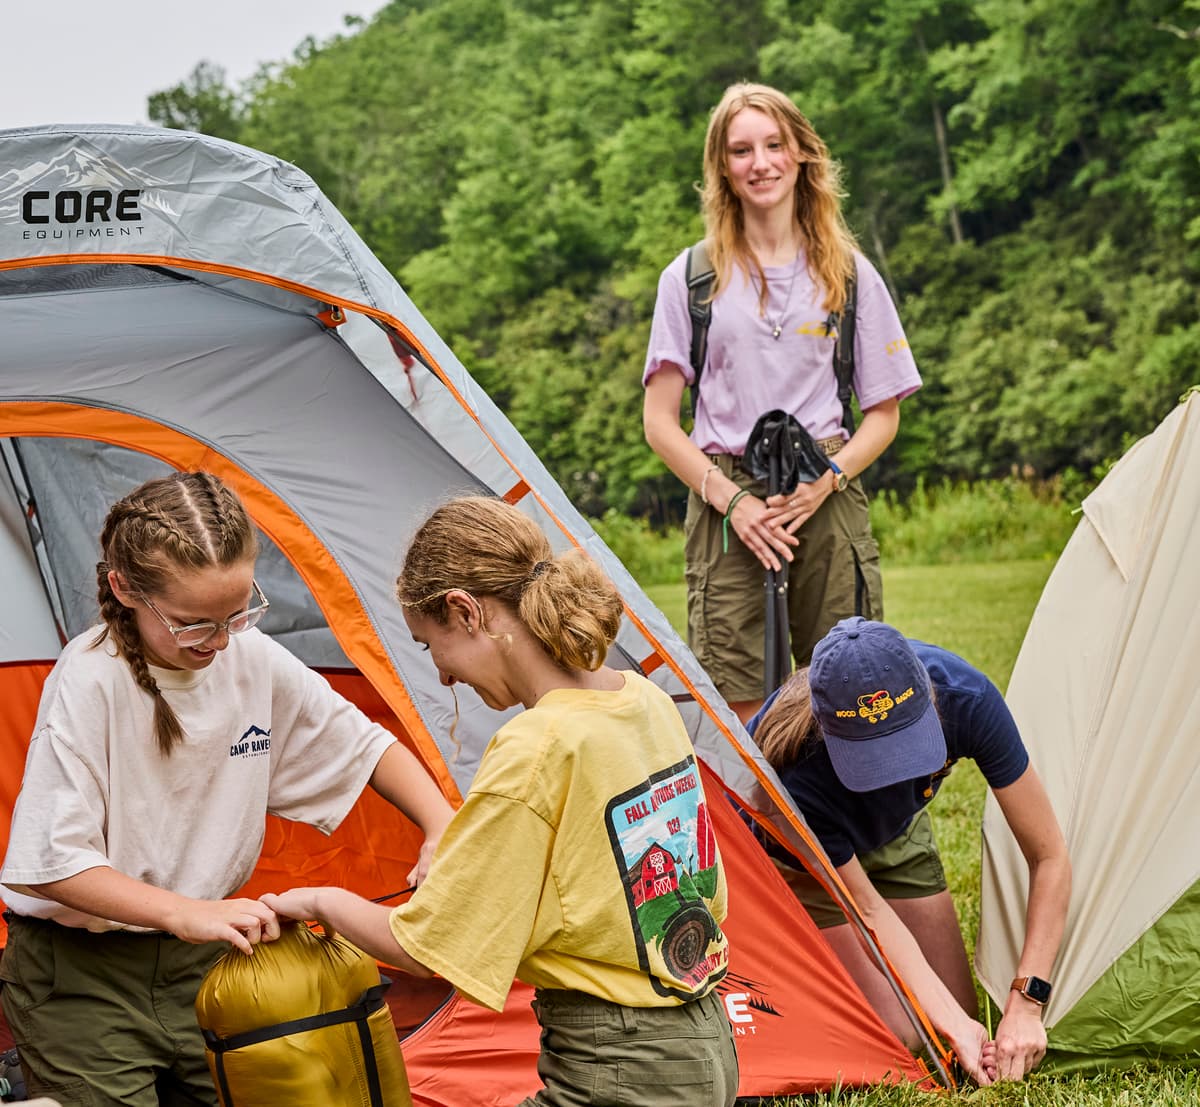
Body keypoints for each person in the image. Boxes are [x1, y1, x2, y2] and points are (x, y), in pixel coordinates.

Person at [262, 495, 738, 1107]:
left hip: (618, 1062)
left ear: (466, 612)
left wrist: (318, 899)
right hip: (702, 1041)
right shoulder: (643, 699)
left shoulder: (537, 744)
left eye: (430, 645)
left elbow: (422, 948)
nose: (441, 676)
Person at [0, 471, 453, 1107]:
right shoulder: (89, 681)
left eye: (236, 614)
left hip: (207, 963)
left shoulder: (250, 658)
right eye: (193, 624)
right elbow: (53, 866)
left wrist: (440, 826)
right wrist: (186, 911)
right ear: (124, 588)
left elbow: (366, 747)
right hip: (79, 975)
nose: (217, 641)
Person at [643, 82, 923, 724]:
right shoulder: (691, 277)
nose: (760, 162)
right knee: (742, 700)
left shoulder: (848, 272)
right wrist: (734, 503)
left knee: (852, 689)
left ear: (802, 155)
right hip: (727, 494)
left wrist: (825, 482)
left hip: (824, 484)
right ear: (722, 167)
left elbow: (883, 413)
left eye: (774, 145)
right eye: (742, 150)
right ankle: (762, 826)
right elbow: (660, 424)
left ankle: (840, 824)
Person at [749, 617, 1070, 1084]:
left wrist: (1026, 1000)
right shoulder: (792, 772)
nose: (893, 775)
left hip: (897, 829)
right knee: (907, 1034)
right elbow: (869, 912)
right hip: (809, 857)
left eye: (905, 751)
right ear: (828, 732)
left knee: (955, 1019)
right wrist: (955, 1027)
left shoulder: (968, 698)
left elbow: (1050, 857)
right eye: (872, 761)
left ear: (928, 698)